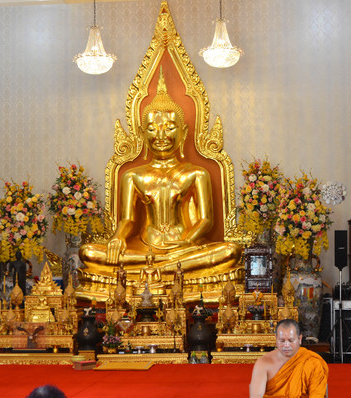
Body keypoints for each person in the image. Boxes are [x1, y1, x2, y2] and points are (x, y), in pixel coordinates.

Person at [79, 69, 241, 276]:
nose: (161, 135)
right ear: (142, 133)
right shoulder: (132, 176)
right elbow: (127, 220)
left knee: (230, 251)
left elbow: (206, 220)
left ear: (183, 132)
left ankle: (154, 268)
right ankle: (167, 267)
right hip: (144, 248)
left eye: (169, 127)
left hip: (186, 247)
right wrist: (118, 237)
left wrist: (186, 243)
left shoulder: (197, 174)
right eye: (153, 128)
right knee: (88, 253)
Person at [241, 319, 344, 398]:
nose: (286, 345)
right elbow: (256, 397)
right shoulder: (264, 362)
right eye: (282, 341)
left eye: (291, 340)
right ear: (275, 339)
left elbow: (317, 394)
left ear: (300, 339)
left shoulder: (312, 361)